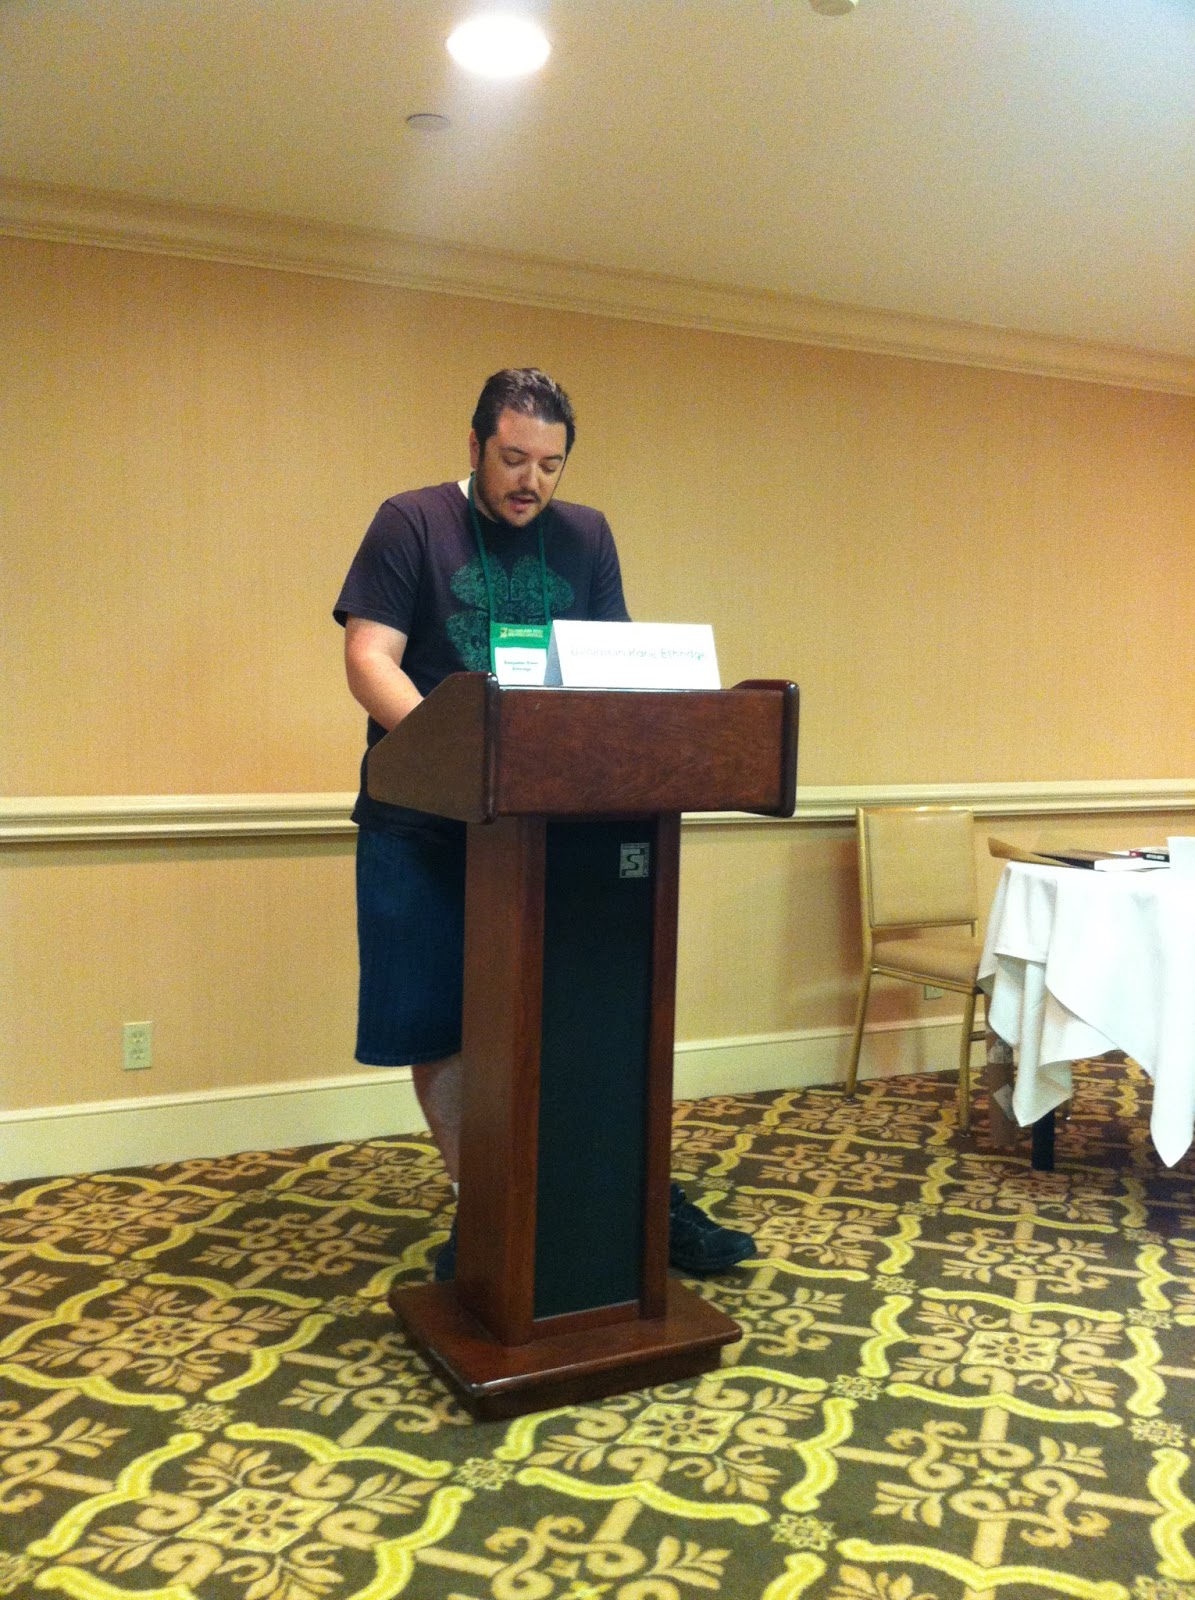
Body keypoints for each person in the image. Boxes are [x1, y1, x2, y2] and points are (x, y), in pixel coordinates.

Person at [334, 367, 755, 1279]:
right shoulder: (411, 522)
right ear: (475, 445)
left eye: (550, 465)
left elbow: (614, 669)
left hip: (554, 825)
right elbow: (369, 658)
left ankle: (633, 1201)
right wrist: (462, 756)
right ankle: (484, 1209)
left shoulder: (586, 535)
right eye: (513, 458)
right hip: (425, 819)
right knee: (440, 1024)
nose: (531, 481)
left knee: (581, 1014)